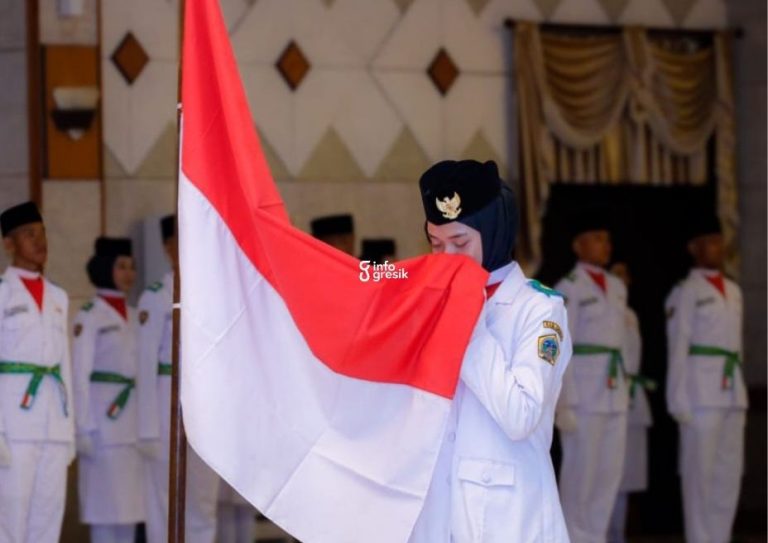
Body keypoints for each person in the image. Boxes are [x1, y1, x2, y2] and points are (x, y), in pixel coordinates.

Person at [409, 159, 572, 542]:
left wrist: (465, 323)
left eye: (460, 243)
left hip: (508, 521)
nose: (447, 258)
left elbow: (520, 414)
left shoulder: (540, 309)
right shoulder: (431, 302)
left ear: (493, 231)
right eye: (436, 244)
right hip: (437, 516)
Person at [136, 215, 220, 543]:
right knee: (163, 503)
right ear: (167, 247)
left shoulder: (212, 295)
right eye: (178, 240)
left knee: (202, 502)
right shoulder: (155, 297)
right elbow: (144, 366)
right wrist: (145, 429)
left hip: (204, 411)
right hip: (164, 408)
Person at [665, 215, 747, 543]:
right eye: (710, 240)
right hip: (699, 395)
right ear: (694, 248)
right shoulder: (686, 291)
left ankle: (720, 536)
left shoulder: (734, 290)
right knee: (700, 476)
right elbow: (678, 344)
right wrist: (677, 399)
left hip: (731, 393)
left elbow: (738, 347)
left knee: (728, 475)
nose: (718, 246)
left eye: (719, 239)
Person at [0, 201, 74, 543]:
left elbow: (65, 369)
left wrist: (70, 432)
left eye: (42, 233)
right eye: (29, 234)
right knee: (10, 520)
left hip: (53, 425)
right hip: (13, 427)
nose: (39, 241)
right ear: (9, 244)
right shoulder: (2, 294)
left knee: (47, 519)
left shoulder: (59, 296)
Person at [555, 209, 629, 543]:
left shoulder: (616, 286)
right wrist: (563, 403)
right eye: (597, 238)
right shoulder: (568, 287)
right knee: (579, 480)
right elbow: (560, 347)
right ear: (577, 244)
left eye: (608, 239)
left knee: (606, 478)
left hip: (614, 392)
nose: (606, 245)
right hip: (583, 396)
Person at [72, 237, 144, 543]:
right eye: (121, 266)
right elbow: (79, 372)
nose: (128, 273)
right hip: (101, 428)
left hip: (133, 429)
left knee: (129, 514)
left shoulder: (135, 313)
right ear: (105, 269)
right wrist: (83, 428)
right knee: (104, 515)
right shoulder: (90, 316)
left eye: (132, 266)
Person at [607, 262, 655, 543]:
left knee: (626, 476)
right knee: (603, 472)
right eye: (616, 274)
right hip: (606, 392)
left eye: (626, 275)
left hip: (631, 396)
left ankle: (619, 535)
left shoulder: (631, 315)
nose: (622, 280)